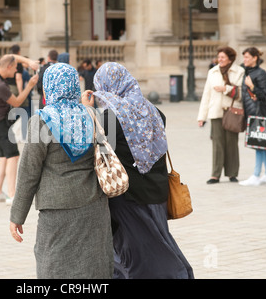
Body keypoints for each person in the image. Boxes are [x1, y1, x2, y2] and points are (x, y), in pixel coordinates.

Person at [82, 62, 194, 279]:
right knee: (158, 243)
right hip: (158, 192)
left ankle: (177, 274)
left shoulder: (107, 119)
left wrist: (87, 110)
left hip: (128, 197)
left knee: (136, 254)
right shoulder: (154, 111)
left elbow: (90, 143)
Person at [10, 63, 113, 279]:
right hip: (93, 205)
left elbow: (29, 172)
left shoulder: (41, 120)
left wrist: (17, 215)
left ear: (48, 89)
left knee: (54, 265)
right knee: (93, 265)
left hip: (57, 209)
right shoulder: (92, 116)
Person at [0, 54, 39, 206]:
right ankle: (12, 195)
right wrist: (30, 85)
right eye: (14, 68)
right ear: (8, 67)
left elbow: (9, 56)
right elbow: (17, 102)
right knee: (13, 156)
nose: (15, 71)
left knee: (4, 156)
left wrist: (28, 62)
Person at [197, 47, 245, 184]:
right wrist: (202, 117)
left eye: (223, 57)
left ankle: (232, 173)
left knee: (232, 143)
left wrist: (226, 89)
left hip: (232, 112)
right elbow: (206, 95)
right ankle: (215, 175)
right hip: (216, 111)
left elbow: (242, 93)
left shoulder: (239, 71)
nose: (220, 60)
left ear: (230, 58)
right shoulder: (212, 72)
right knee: (217, 144)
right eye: (219, 57)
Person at [239, 48, 266, 186]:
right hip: (251, 112)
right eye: (244, 57)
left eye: (247, 57)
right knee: (262, 145)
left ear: (255, 58)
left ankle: (256, 175)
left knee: (258, 145)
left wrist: (252, 86)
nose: (245, 60)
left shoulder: (261, 73)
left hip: (259, 113)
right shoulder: (247, 71)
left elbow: (265, 94)